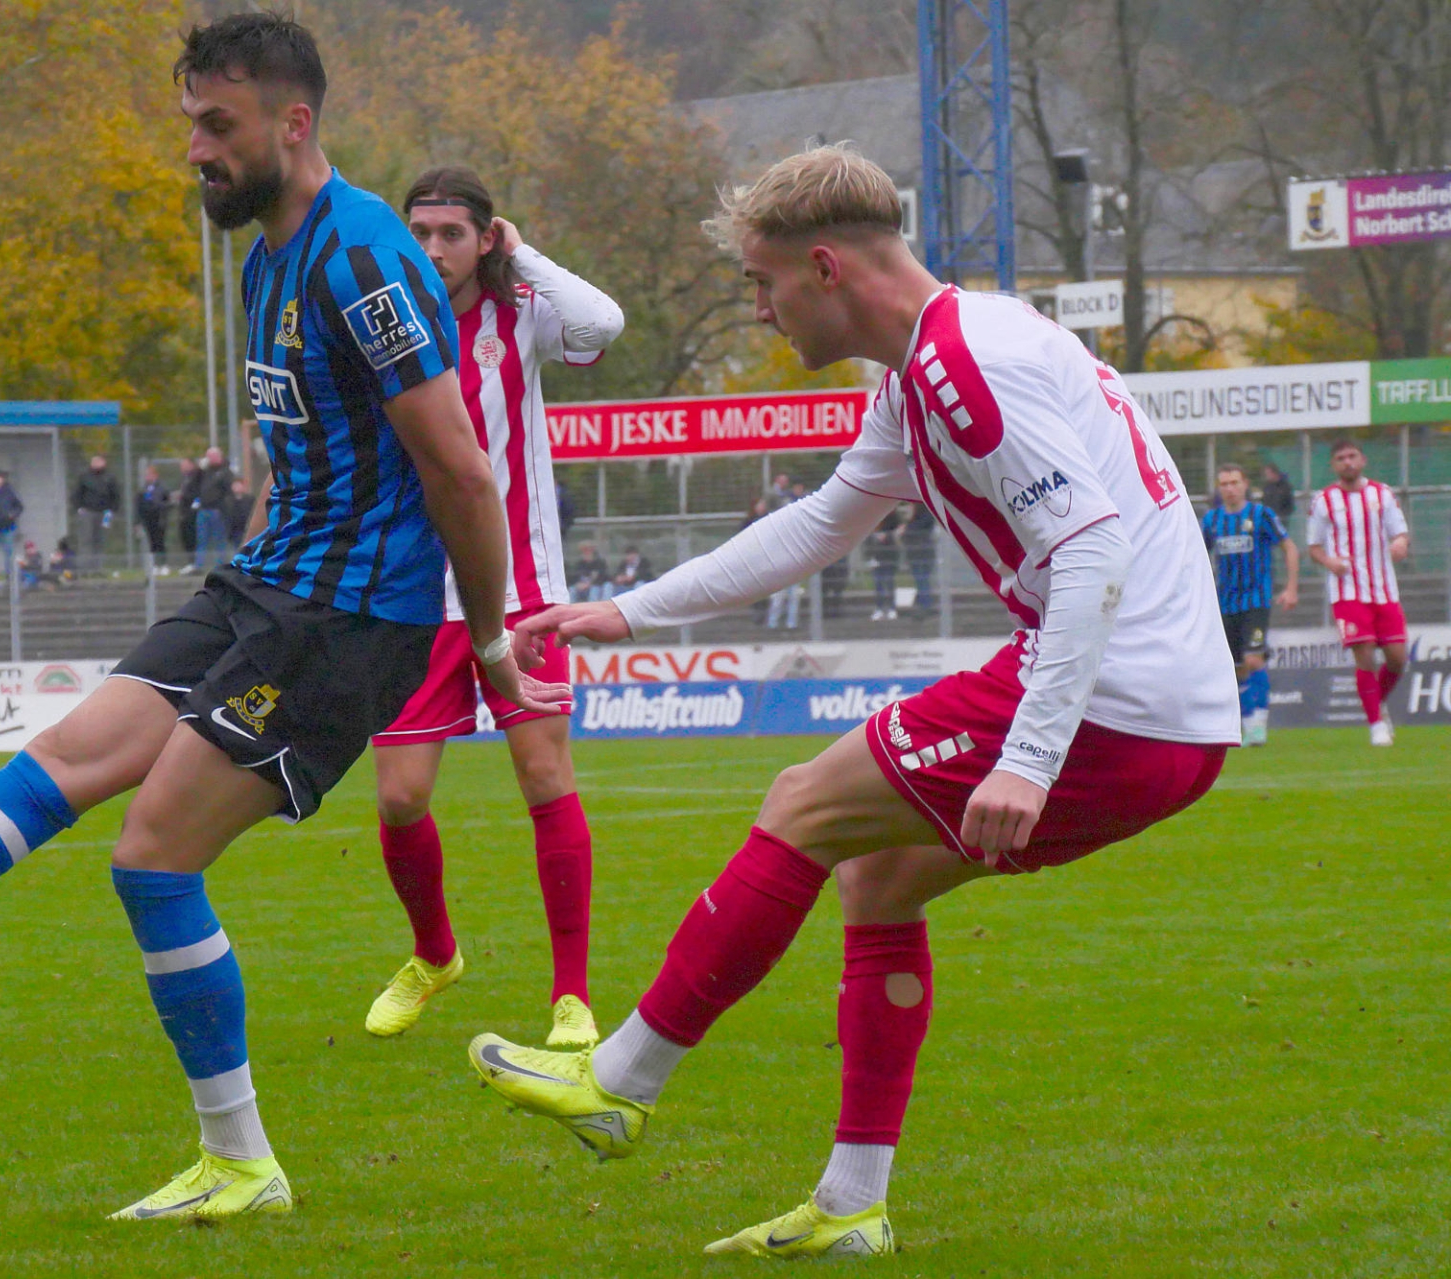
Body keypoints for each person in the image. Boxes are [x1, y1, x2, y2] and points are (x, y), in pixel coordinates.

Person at [0, 10, 565, 1225]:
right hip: (267, 584)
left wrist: (490, 639)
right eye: (190, 122)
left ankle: (241, 1160)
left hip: (348, 616)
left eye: (217, 124)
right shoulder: (268, 261)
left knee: (152, 855)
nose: (194, 148)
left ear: (294, 123)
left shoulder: (363, 257)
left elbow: (459, 468)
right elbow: (307, 453)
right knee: (60, 764)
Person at [465, 145, 1235, 1260]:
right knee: (878, 877)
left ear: (824, 267)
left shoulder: (963, 364)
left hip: (1119, 696)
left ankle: (619, 1079)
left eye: (764, 281)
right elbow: (819, 525)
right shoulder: (930, 365)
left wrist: (1028, 758)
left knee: (803, 802)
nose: (761, 308)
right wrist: (626, 612)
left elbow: (1092, 548)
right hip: (1166, 708)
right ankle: (851, 1205)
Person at [361, 164, 623, 1050]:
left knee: (546, 779)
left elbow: (603, 323)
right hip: (413, 596)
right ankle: (434, 954)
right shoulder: (383, 325)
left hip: (523, 592)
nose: (434, 250)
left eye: (452, 234)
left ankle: (571, 995)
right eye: (420, 234)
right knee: (401, 798)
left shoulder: (522, 316)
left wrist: (522, 250)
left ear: (484, 239)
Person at [1307, 440, 1409, 745]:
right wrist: (1329, 561)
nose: (1347, 462)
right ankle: (1376, 725)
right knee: (1364, 654)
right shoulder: (1324, 500)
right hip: (1347, 590)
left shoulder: (1382, 494)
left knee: (1397, 659)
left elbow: (1400, 533)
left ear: (1363, 460)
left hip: (1384, 590)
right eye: (1341, 458)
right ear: (1334, 465)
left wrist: (1400, 543)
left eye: (1352, 456)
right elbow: (1314, 547)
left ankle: (1377, 704)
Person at [1202, 463, 1297, 745]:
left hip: (1256, 600)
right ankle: (1246, 722)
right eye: (1224, 484)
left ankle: (1258, 724)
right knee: (1236, 668)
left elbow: (1289, 546)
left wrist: (1291, 588)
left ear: (1245, 485)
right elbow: (1196, 555)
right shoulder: (1212, 520)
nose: (1230, 488)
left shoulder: (1261, 514)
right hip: (1225, 603)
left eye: (1235, 482)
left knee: (1254, 659)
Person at [73, 454, 120, 574]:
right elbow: (77, 493)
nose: (96, 463)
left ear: (104, 463)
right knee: (86, 540)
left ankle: (98, 569)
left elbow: (116, 496)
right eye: (94, 461)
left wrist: (112, 511)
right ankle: (84, 569)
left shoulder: (110, 478)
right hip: (87, 512)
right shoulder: (84, 477)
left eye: (99, 461)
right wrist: (79, 508)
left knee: (100, 540)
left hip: (105, 514)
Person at [194, 446, 235, 571]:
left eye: (212, 456)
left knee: (219, 540)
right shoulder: (205, 472)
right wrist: (199, 469)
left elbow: (227, 489)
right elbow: (194, 484)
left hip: (217, 510)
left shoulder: (225, 472)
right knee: (202, 539)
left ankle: (220, 565)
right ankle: (199, 565)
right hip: (203, 509)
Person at [137, 465, 173, 575]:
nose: (147, 477)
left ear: (155, 475)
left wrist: (160, 506)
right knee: (152, 542)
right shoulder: (144, 489)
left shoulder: (162, 488)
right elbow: (140, 504)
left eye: (150, 474)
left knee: (160, 541)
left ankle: (163, 564)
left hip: (160, 518)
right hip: (148, 519)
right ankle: (155, 565)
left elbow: (168, 503)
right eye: (146, 475)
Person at [866, 507, 901, 621]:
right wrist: (869, 557)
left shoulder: (893, 517)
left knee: (889, 583)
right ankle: (879, 608)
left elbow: (896, 535)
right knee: (878, 584)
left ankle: (891, 608)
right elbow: (867, 540)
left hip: (889, 557)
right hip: (876, 557)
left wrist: (887, 536)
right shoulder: (871, 517)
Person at [903, 501, 937, 611]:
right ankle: (922, 603)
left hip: (922, 553)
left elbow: (912, 530)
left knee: (922, 578)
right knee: (920, 579)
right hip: (916, 553)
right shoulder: (916, 517)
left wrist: (908, 521)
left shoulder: (926, 516)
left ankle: (925, 604)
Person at [175, 457, 202, 570]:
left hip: (192, 512)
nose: (182, 467)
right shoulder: (184, 479)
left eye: (185, 464)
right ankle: (190, 562)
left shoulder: (196, 476)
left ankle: (195, 562)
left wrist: (185, 496)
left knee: (192, 537)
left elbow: (196, 492)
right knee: (185, 537)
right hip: (184, 512)